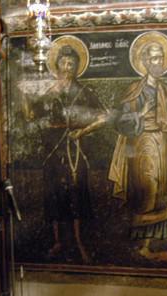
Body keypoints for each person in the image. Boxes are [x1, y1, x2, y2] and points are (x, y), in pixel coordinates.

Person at [108, 35, 167, 257]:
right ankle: (145, 245)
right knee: (149, 190)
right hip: (143, 148)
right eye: (153, 59)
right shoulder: (135, 90)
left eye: (161, 58)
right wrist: (140, 115)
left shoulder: (166, 91)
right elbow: (120, 122)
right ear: (144, 61)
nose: (158, 63)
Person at [33, 42, 105, 263]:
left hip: (76, 150)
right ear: (57, 66)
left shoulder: (85, 92)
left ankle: (79, 241)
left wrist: (82, 131)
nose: (67, 67)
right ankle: (58, 242)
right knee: (54, 195)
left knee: (77, 194)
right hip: (53, 151)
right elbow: (36, 120)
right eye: (63, 63)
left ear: (77, 67)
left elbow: (104, 117)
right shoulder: (48, 94)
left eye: (71, 63)